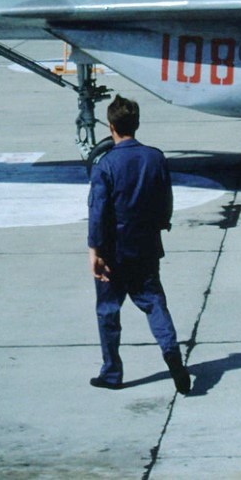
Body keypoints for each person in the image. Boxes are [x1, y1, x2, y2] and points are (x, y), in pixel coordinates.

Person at [86, 96, 192, 393]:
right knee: (154, 303)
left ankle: (112, 372)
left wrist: (95, 250)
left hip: (113, 252)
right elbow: (165, 201)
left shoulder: (105, 165)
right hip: (145, 247)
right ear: (137, 124)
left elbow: (98, 213)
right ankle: (171, 353)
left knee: (108, 310)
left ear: (111, 126)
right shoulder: (155, 157)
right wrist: (160, 225)